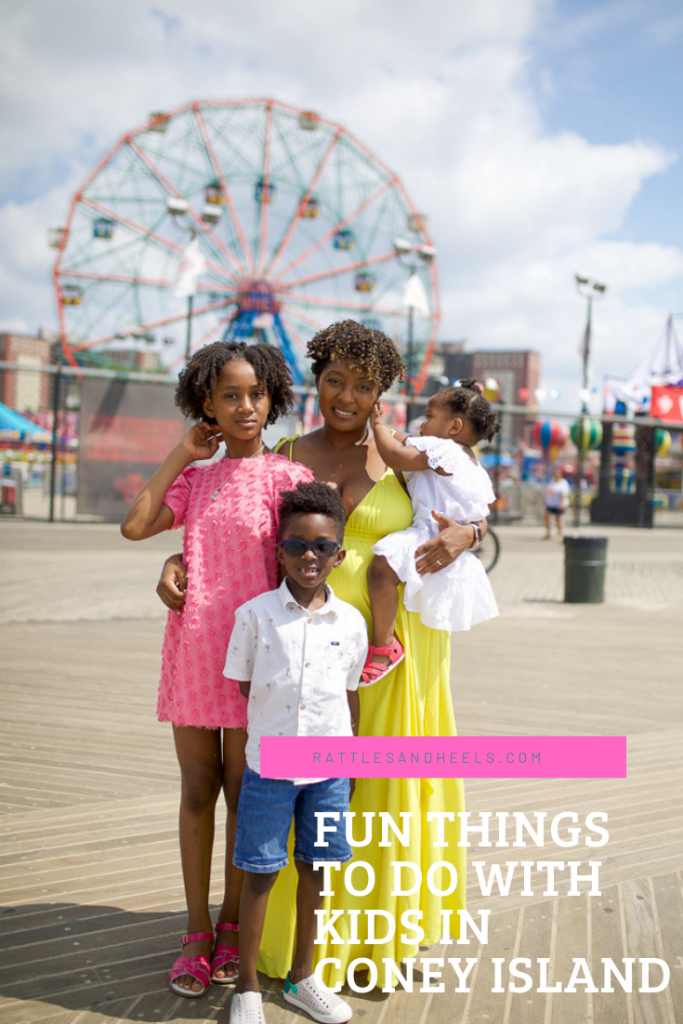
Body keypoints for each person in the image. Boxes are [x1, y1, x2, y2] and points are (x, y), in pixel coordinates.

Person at [156, 320, 484, 989]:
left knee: (378, 793)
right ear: (314, 382)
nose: (345, 395)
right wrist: (173, 555)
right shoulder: (284, 452)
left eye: (361, 386)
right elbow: (238, 525)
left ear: (381, 394)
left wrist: (471, 535)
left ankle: (369, 942)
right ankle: (285, 945)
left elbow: (465, 499)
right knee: (305, 791)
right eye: (333, 379)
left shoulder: (405, 456)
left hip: (391, 652)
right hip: (299, 647)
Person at [120, 341, 311, 997]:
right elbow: (135, 525)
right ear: (205, 403)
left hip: (259, 662)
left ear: (273, 399)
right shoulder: (195, 478)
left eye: (256, 393)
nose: (245, 406)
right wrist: (181, 454)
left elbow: (309, 555)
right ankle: (195, 932)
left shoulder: (287, 478)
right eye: (229, 395)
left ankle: (232, 928)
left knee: (243, 796)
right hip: (197, 648)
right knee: (198, 790)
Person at [225, 481, 367, 1024]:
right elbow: (244, 687)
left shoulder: (351, 623)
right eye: (296, 546)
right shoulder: (256, 616)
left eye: (322, 546)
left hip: (331, 769)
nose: (309, 556)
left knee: (319, 870)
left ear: (340, 553)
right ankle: (247, 989)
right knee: (260, 872)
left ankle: (302, 977)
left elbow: (347, 696)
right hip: (270, 766)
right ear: (278, 550)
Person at [362, 380, 500, 683]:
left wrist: (377, 424)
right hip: (444, 541)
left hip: (427, 534)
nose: (422, 425)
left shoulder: (443, 450)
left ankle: (384, 646)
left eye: (429, 417)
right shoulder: (472, 463)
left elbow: (397, 455)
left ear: (454, 427)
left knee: (380, 572)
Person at [543, 465, 570, 541]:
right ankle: (548, 533)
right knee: (547, 517)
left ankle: (560, 534)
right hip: (551, 504)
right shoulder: (552, 481)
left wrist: (562, 504)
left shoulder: (563, 483)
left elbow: (564, 495)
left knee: (559, 519)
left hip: (559, 504)